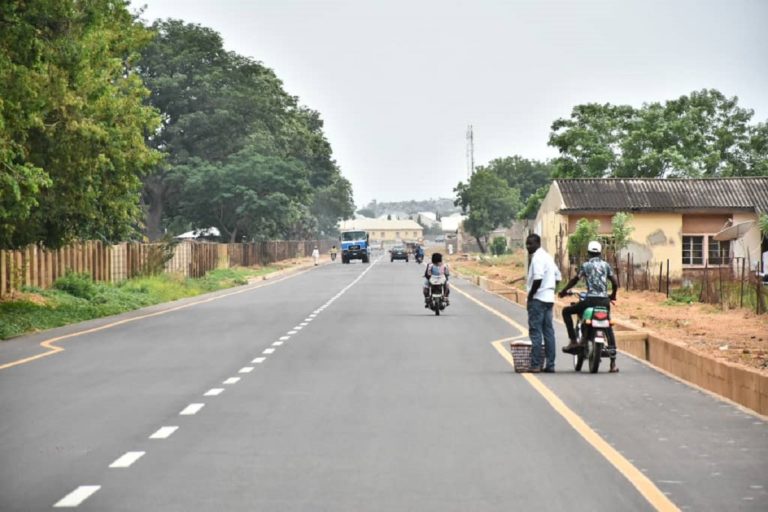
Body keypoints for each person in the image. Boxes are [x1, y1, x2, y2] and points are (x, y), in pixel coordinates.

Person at [558, 240, 619, 373]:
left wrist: (563, 291)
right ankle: (613, 363)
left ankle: (573, 341)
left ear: (589, 253)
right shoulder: (606, 265)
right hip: (604, 301)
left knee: (566, 311)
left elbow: (575, 280)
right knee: (607, 326)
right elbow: (615, 283)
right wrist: (613, 296)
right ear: (600, 253)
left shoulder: (586, 266)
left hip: (590, 300)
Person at [525, 234, 560, 373]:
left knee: (536, 332)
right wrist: (552, 290)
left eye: (530, 244)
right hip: (549, 299)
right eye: (527, 244)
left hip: (538, 299)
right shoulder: (548, 257)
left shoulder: (537, 258)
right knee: (548, 332)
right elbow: (558, 276)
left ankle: (535, 364)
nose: (528, 247)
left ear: (538, 244)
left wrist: (531, 295)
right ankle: (550, 365)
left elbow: (538, 279)